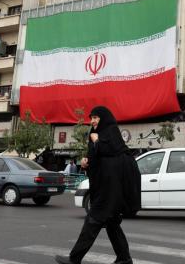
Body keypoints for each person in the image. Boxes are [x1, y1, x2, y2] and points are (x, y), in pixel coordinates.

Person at [55, 106, 141, 264]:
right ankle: (124, 258)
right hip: (105, 186)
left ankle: (74, 259)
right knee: (112, 224)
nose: (92, 121)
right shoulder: (96, 134)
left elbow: (111, 153)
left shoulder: (111, 132)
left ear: (104, 118)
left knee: (93, 221)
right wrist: (86, 162)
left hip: (110, 188)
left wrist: (97, 141)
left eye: (96, 117)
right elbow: (97, 158)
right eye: (91, 118)